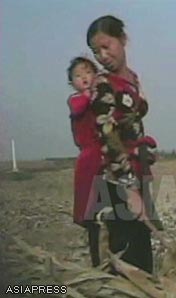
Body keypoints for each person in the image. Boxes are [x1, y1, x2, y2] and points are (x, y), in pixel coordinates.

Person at [85, 15, 162, 274]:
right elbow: (107, 134)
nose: (102, 56)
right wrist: (128, 189)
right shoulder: (104, 85)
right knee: (119, 265)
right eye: (96, 51)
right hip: (114, 182)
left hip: (135, 176)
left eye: (107, 46)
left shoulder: (132, 80)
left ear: (123, 40)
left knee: (141, 259)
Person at [66, 56, 104, 267]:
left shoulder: (100, 98)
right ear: (72, 83)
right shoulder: (76, 99)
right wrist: (89, 95)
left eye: (88, 72)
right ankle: (97, 263)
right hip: (89, 160)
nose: (84, 78)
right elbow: (79, 107)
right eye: (78, 76)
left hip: (105, 156)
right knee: (91, 213)